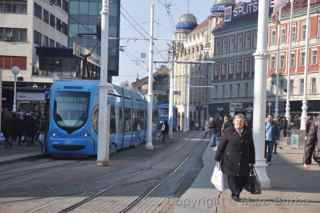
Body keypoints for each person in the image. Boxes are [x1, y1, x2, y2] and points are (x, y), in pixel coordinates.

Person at [215, 114, 255, 202]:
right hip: (230, 160)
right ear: (233, 122)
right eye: (237, 121)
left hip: (244, 159)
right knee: (232, 178)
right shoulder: (228, 131)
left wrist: (252, 160)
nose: (239, 123)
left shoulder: (248, 132)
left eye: (241, 122)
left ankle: (238, 191)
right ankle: (235, 193)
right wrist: (217, 157)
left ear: (244, 123)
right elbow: (221, 145)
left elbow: (251, 147)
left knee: (242, 178)